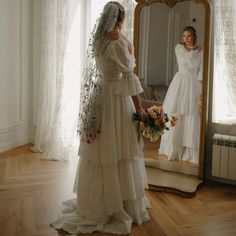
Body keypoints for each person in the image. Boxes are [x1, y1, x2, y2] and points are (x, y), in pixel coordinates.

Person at [51, 1, 150, 235]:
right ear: (120, 20)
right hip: (116, 98)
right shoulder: (118, 42)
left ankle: (96, 202)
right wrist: (141, 108)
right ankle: (118, 205)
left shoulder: (98, 39)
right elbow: (128, 75)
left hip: (99, 96)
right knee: (120, 152)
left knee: (102, 152)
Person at [159, 26, 203, 164]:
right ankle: (173, 149)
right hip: (180, 82)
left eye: (189, 35)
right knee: (176, 113)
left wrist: (201, 85)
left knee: (191, 115)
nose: (186, 38)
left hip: (193, 83)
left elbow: (200, 69)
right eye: (184, 36)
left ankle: (189, 152)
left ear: (193, 36)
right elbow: (187, 62)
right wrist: (196, 50)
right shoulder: (179, 48)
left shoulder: (200, 51)